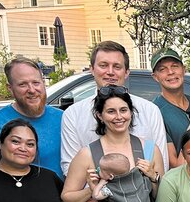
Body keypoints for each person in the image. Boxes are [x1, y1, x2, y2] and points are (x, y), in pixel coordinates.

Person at [60, 40, 168, 176]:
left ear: (127, 72)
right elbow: (69, 167)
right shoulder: (73, 114)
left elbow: (161, 162)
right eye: (103, 65)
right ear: (92, 69)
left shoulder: (150, 110)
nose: (110, 72)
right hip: (93, 195)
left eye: (117, 66)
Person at [0, 56, 64, 179]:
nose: (32, 90)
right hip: (14, 195)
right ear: (10, 88)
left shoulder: (62, 118)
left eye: (36, 82)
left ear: (43, 83)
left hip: (60, 196)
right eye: (23, 84)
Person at [150, 47, 190, 167]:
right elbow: (173, 162)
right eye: (162, 69)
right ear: (155, 77)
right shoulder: (155, 111)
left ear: (183, 70)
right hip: (183, 181)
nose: (170, 72)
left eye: (175, 66)